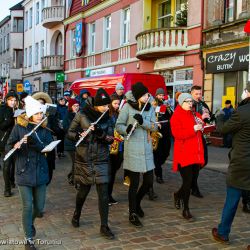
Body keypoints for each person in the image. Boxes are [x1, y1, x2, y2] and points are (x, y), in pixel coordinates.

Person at [68, 88, 115, 240]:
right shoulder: (82, 114)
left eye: (108, 105)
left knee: (103, 194)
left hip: (101, 158)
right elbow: (69, 132)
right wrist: (78, 135)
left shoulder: (108, 117)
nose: (107, 108)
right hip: (85, 157)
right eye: (104, 106)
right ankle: (77, 213)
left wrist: (100, 133)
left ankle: (104, 226)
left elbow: (110, 138)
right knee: (83, 191)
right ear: (96, 105)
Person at [7, 96, 53, 250]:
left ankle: (30, 223)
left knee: (39, 208)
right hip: (23, 172)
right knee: (27, 206)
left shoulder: (45, 130)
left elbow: (46, 148)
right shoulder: (18, 128)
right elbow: (8, 147)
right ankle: (28, 238)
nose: (40, 116)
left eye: (42, 113)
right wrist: (16, 145)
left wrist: (35, 143)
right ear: (30, 114)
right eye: (37, 113)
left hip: (40, 172)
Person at [116, 82, 158, 228]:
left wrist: (143, 122)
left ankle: (137, 202)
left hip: (146, 148)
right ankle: (132, 213)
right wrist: (126, 129)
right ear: (139, 95)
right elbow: (118, 125)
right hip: (132, 148)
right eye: (146, 95)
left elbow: (155, 126)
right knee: (133, 184)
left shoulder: (150, 107)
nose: (148, 96)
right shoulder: (127, 107)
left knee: (148, 182)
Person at [212, 84, 250, 244]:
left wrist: (219, 116)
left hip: (241, 163)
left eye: (245, 90)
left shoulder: (241, 112)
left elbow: (223, 129)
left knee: (232, 200)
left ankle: (223, 233)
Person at [170, 93, 205, 221]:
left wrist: (203, 124)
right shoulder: (176, 116)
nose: (190, 104)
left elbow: (201, 128)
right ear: (181, 102)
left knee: (191, 182)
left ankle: (177, 195)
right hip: (184, 154)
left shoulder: (194, 114)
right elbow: (177, 134)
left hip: (196, 153)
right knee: (187, 181)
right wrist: (193, 128)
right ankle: (186, 209)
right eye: (187, 101)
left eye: (191, 101)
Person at [190, 85, 211, 198]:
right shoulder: (188, 104)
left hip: (201, 137)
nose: (199, 96)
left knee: (204, 160)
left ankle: (192, 184)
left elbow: (210, 118)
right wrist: (200, 118)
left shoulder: (203, 104)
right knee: (195, 162)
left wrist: (208, 119)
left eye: (200, 94)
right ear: (192, 93)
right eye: (196, 94)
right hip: (191, 137)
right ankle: (193, 186)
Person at [152, 88, 173, 184]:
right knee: (157, 155)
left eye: (162, 95)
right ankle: (158, 175)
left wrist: (169, 108)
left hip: (166, 133)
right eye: (159, 95)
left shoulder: (166, 105)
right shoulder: (153, 105)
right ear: (156, 96)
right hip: (156, 134)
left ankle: (156, 165)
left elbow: (171, 118)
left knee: (166, 154)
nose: (161, 97)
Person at [0, 92, 18, 197]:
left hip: (17, 140)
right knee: (7, 165)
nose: (13, 102)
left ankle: (12, 181)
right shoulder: (2, 110)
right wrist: (11, 118)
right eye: (11, 100)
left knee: (14, 163)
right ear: (7, 100)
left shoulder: (17, 109)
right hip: (5, 141)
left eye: (15, 100)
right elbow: (2, 126)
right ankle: (7, 189)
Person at [108, 94, 124, 205]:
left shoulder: (119, 113)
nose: (117, 106)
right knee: (110, 173)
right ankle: (107, 195)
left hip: (120, 146)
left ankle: (109, 194)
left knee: (114, 171)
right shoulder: (107, 115)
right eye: (115, 103)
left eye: (118, 104)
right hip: (110, 146)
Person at [63, 99, 79, 186]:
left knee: (76, 162)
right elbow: (66, 128)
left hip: (78, 142)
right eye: (74, 106)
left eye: (77, 106)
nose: (76, 107)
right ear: (71, 107)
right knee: (76, 162)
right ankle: (74, 179)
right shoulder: (67, 116)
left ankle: (71, 176)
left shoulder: (80, 115)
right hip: (70, 142)